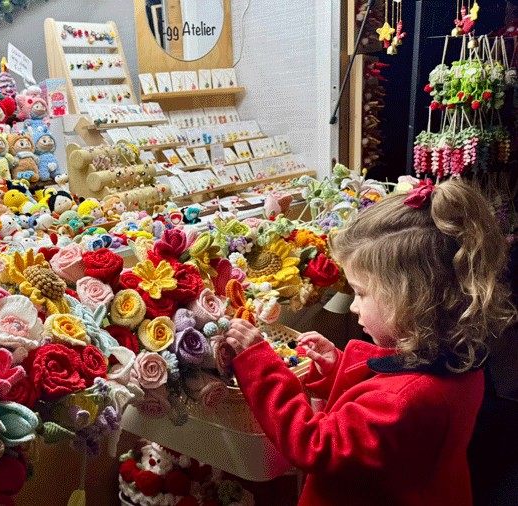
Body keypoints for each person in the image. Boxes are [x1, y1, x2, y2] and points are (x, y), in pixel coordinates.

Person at [219, 180, 516, 506]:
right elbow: (380, 425)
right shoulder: (460, 362)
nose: (355, 306)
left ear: (409, 299)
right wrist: (336, 368)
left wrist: (259, 365)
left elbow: (317, 444)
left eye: (361, 293)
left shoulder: (404, 401)